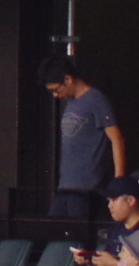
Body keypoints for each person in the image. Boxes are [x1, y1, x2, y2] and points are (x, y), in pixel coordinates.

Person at [43, 59, 125, 217]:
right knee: (52, 227)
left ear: (68, 79)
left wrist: (119, 179)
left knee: (78, 229)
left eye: (56, 89)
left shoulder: (96, 99)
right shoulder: (71, 103)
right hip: (66, 185)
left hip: (87, 187)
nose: (55, 95)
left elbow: (116, 138)